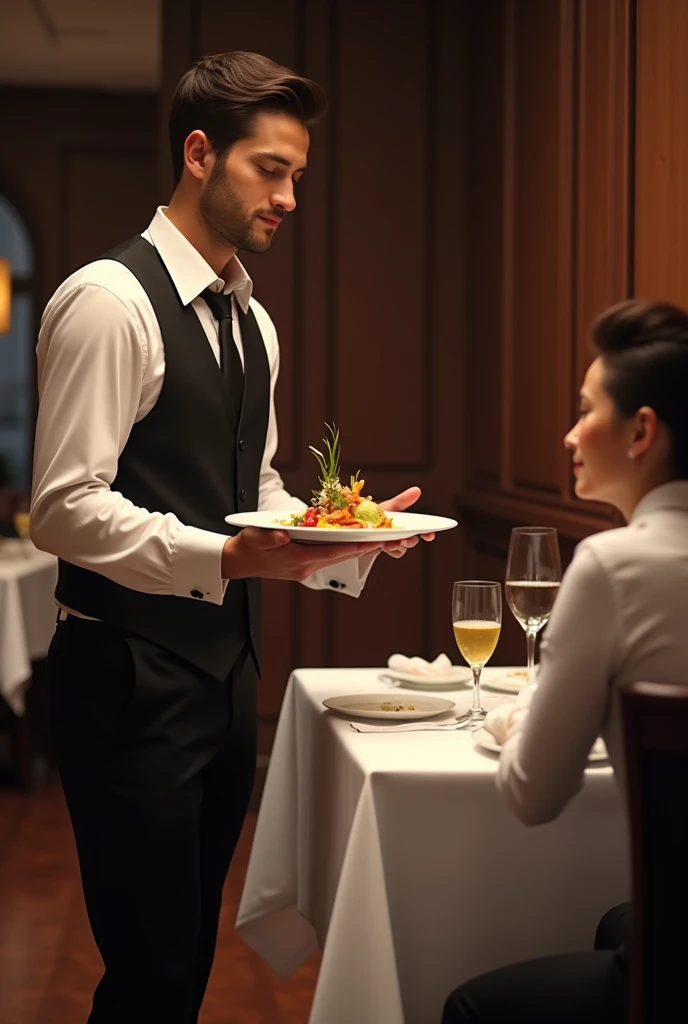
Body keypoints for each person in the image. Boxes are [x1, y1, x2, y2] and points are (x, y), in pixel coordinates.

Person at [30, 51, 431, 1024]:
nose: (290, 195)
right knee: (151, 974)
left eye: (298, 173)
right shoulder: (108, 301)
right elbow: (62, 508)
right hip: (125, 679)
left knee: (184, 963)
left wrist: (346, 538)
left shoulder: (255, 321)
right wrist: (222, 555)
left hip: (223, 679)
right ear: (200, 152)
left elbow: (250, 490)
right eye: (272, 168)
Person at [442, 298, 688, 1023]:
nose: (570, 433)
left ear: (642, 431)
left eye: (587, 409)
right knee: (619, 920)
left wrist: (522, 715)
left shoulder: (614, 569)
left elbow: (532, 796)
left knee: (471, 1006)